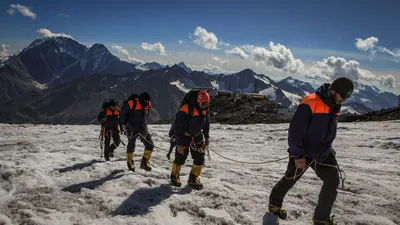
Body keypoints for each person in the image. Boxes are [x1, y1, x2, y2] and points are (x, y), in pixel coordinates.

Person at [268, 77, 354, 225]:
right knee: (290, 178)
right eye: (343, 96)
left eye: (347, 97)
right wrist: (298, 155)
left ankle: (321, 218)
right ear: (334, 91)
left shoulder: (335, 105)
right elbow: (295, 132)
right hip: (303, 152)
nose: (345, 100)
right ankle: (274, 205)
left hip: (323, 151)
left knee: (332, 180)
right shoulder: (310, 102)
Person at [169, 90, 211, 190]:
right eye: (203, 103)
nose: (205, 105)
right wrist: (179, 144)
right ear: (198, 101)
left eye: (207, 103)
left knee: (200, 157)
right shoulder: (185, 109)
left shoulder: (205, 110)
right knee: (180, 158)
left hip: (197, 137)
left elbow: (206, 125)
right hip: (183, 137)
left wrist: (207, 137)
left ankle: (193, 179)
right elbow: (177, 128)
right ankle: (174, 177)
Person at [120, 92, 154, 172]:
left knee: (150, 145)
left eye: (147, 102)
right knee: (131, 145)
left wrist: (145, 123)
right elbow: (123, 113)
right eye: (144, 102)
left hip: (142, 127)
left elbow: (146, 114)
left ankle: (144, 163)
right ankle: (130, 162)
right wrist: (124, 124)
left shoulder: (148, 104)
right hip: (131, 128)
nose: (146, 103)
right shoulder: (131, 103)